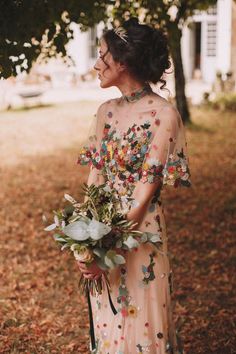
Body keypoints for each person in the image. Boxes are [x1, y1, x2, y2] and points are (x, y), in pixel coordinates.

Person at [77, 17, 191, 354]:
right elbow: (94, 181)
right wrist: (84, 241)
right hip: (103, 233)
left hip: (141, 238)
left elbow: (144, 192)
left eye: (103, 56)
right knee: (109, 329)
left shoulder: (163, 115)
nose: (97, 64)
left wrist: (106, 248)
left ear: (123, 61)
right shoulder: (104, 113)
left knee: (141, 331)